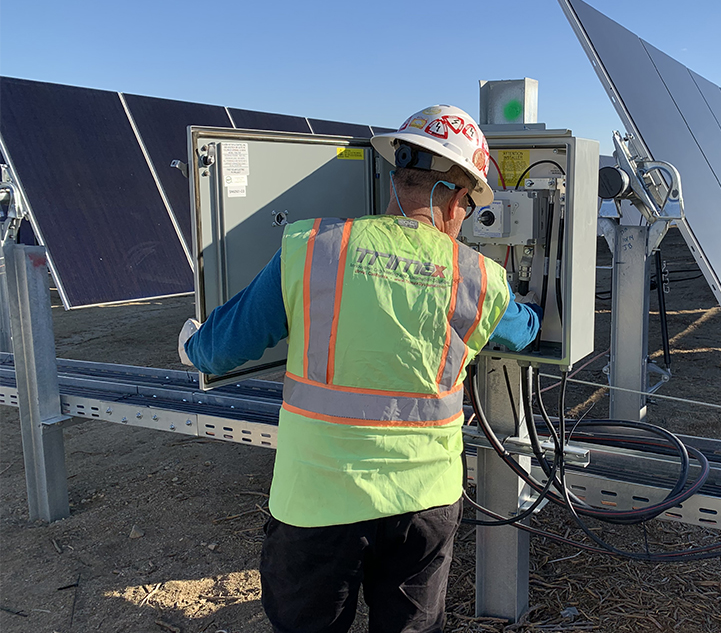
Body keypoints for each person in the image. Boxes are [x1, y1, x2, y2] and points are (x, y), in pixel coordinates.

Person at [178, 105, 541, 633]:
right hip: (423, 500)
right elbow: (523, 330)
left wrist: (191, 344)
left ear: (397, 179)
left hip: (317, 498)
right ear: (458, 199)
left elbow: (220, 348)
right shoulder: (478, 278)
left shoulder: (313, 247)